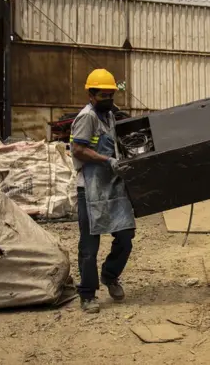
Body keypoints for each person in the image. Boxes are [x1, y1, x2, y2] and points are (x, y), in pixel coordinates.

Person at [70, 68, 136, 314]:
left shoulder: (109, 115)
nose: (108, 99)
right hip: (90, 188)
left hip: (111, 185)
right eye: (103, 95)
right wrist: (106, 160)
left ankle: (110, 275)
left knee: (126, 236)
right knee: (89, 245)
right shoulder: (87, 117)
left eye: (111, 95)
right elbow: (78, 149)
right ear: (91, 95)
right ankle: (87, 294)